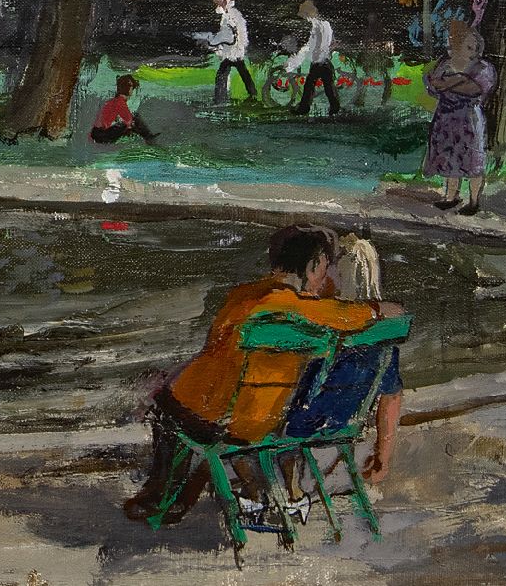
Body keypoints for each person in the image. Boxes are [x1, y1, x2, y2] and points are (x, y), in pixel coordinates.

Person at [121, 224, 400, 525]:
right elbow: (348, 316)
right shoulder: (302, 307)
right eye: (324, 266)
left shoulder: (242, 297)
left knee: (169, 410)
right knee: (178, 410)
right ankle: (172, 496)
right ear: (314, 265)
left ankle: (163, 496)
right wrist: (379, 310)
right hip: (254, 422)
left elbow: (213, 351)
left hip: (214, 417)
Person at [280, 234, 405, 492]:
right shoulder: (383, 336)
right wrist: (383, 458)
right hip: (348, 423)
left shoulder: (326, 323)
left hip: (304, 423)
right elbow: (391, 397)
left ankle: (290, 486)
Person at [423, 14, 495, 213]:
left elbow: (474, 89)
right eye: (468, 47)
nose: (472, 53)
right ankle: (450, 196)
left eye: (475, 48)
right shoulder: (445, 64)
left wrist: (449, 82)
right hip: (445, 118)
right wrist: (458, 79)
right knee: (449, 156)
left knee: (472, 159)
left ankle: (473, 201)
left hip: (469, 119)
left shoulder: (483, 67)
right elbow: (432, 86)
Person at [197, 0, 255, 105]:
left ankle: (221, 99)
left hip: (233, 52)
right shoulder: (231, 14)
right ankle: (252, 94)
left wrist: (211, 42)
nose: (214, 0)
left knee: (223, 75)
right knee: (241, 73)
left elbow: (226, 35)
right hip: (234, 51)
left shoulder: (230, 15)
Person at [288, 0, 340, 118]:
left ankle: (304, 109)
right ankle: (334, 108)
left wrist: (295, 61)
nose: (305, 19)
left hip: (320, 62)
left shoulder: (317, 27)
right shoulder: (324, 24)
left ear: (309, 14)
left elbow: (313, 46)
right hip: (323, 61)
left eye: (305, 15)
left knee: (311, 85)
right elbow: (329, 43)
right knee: (327, 86)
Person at [89, 75, 157, 144]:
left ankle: (147, 138)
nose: (132, 91)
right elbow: (129, 120)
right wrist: (130, 128)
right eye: (132, 87)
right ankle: (149, 138)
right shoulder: (120, 102)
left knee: (127, 123)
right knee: (134, 117)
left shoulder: (114, 101)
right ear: (129, 89)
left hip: (97, 134)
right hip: (102, 135)